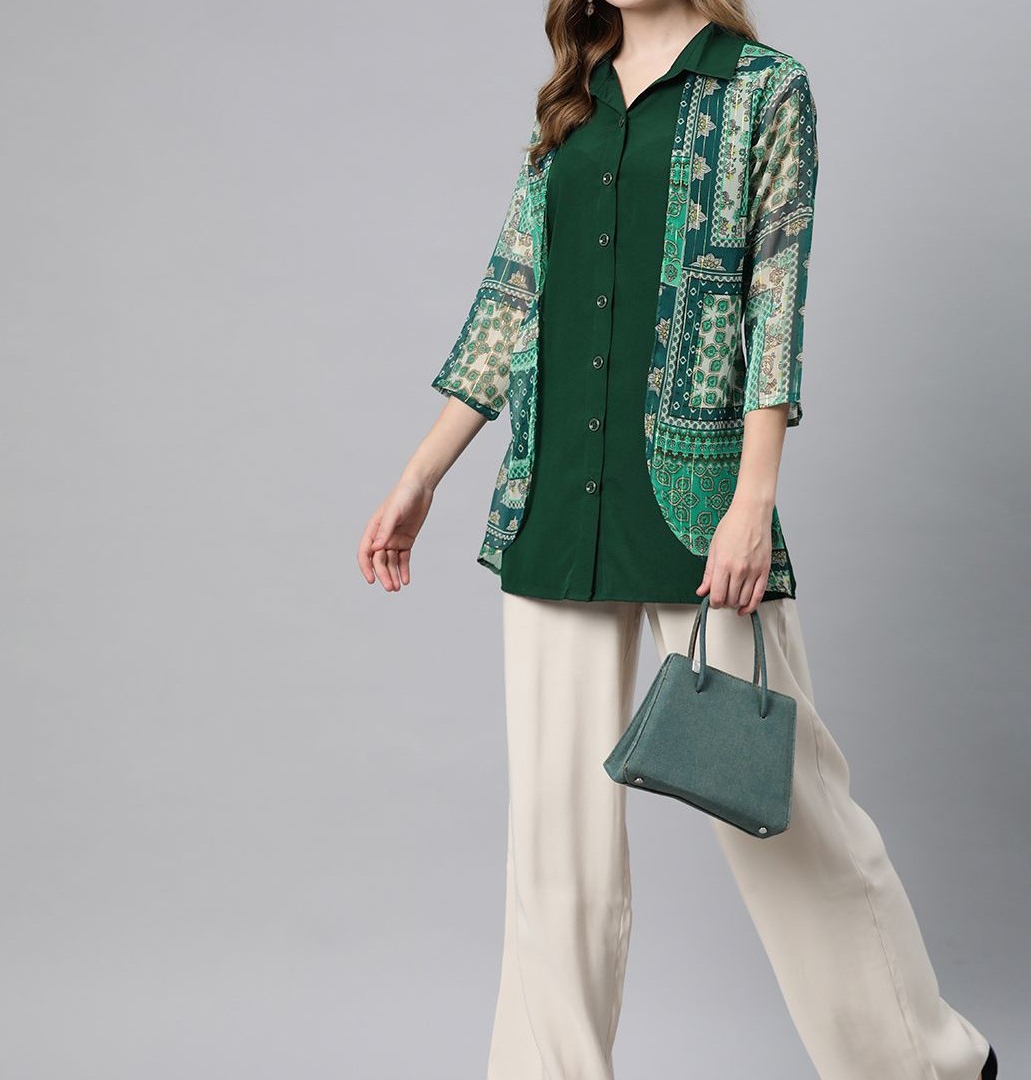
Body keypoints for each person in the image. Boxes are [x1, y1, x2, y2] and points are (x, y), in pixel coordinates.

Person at [357, 2, 998, 1078]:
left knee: (784, 811)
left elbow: (774, 299)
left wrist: (754, 499)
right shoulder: (574, 96)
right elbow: (512, 293)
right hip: (554, 501)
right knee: (554, 850)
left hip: (700, 507)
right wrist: (422, 474)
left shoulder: (764, 86)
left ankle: (928, 1063)